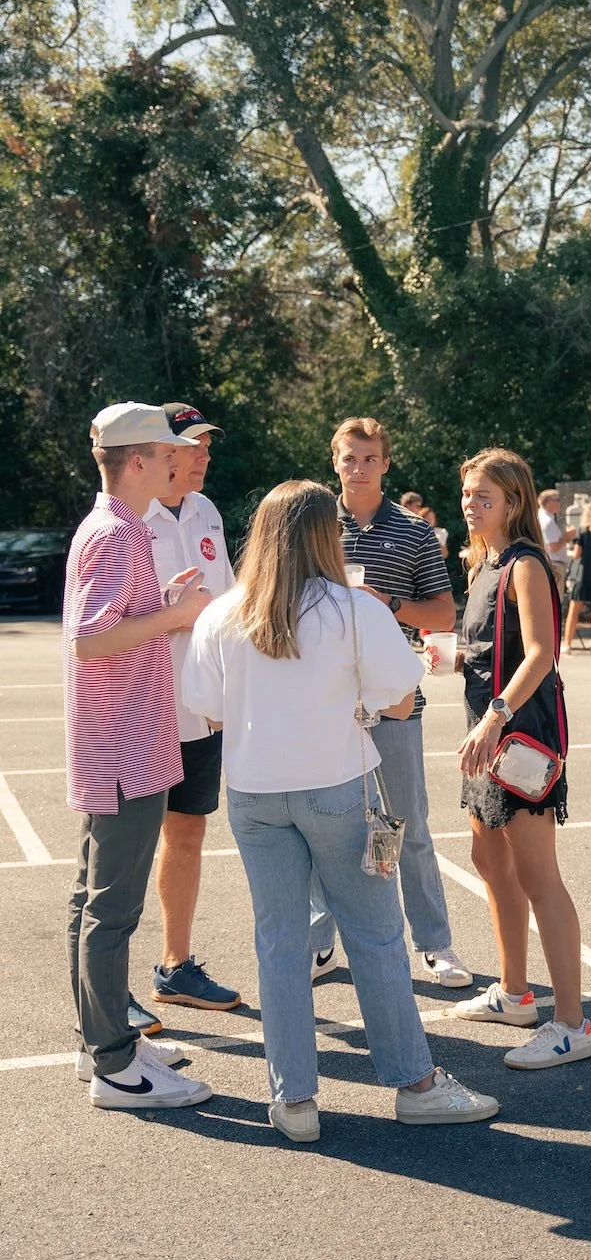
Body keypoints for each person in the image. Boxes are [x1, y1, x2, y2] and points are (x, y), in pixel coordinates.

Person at [182, 480, 499, 1141]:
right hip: (340, 790)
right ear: (326, 535)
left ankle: (293, 1099)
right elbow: (402, 703)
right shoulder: (353, 610)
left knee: (280, 944)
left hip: (255, 796)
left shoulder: (222, 613)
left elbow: (207, 711)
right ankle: (414, 1084)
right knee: (377, 934)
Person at [64, 401, 215, 1111]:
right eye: (164, 452)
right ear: (136, 463)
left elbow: (110, 624)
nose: (175, 461)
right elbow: (89, 640)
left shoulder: (114, 528)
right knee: (110, 909)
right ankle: (115, 1065)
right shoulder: (118, 532)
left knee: (91, 902)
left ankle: (101, 1038)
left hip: (118, 742)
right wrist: (176, 616)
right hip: (124, 744)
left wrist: (161, 601)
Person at [313, 418, 472, 989]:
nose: (359, 468)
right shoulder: (308, 524)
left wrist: (388, 604)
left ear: (386, 464)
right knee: (325, 829)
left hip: (395, 698)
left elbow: (444, 614)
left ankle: (435, 944)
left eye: (370, 458)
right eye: (350, 458)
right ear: (335, 461)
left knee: (407, 825)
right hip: (322, 700)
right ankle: (319, 944)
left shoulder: (412, 531)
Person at [451, 450, 591, 1070]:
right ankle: (514, 994)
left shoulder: (527, 565)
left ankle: (572, 1024)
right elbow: (487, 648)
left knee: (538, 876)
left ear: (513, 502)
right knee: (490, 860)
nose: (471, 505)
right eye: (467, 495)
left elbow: (541, 654)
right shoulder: (485, 562)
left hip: (519, 732)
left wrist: (495, 715)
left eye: (484, 497)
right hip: (490, 731)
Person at [140, 402, 240, 1020]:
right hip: (145, 708)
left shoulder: (206, 511)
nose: (205, 455)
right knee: (124, 848)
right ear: (164, 451)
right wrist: (171, 607)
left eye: (207, 445)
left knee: (188, 833)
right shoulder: (128, 516)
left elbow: (225, 602)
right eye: (195, 445)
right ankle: (107, 991)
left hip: (200, 708)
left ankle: (175, 966)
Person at [563, 500, 591, 652]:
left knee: (573, 611)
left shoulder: (582, 531)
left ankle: (567, 644)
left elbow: (576, 554)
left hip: (582, 574)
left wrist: (567, 551)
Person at [537, 488, 569, 597]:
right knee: (555, 600)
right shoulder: (548, 521)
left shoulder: (541, 517)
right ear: (550, 501)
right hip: (555, 565)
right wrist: (567, 536)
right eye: (558, 499)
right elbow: (554, 547)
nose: (560, 503)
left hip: (548, 563)